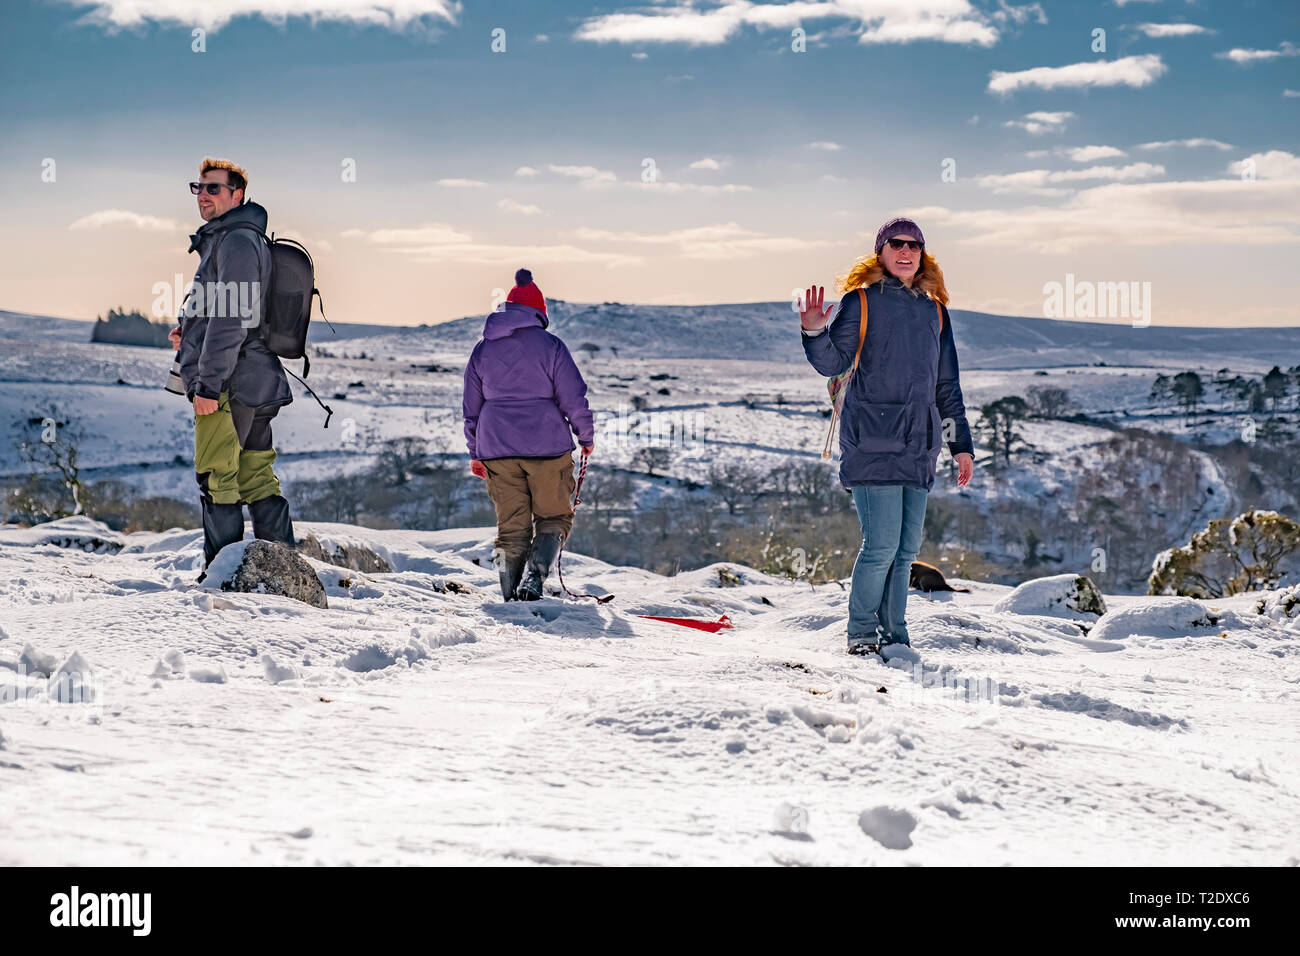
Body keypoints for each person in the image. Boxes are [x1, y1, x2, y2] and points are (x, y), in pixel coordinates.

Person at [800, 217, 975, 655]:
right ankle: (861, 634)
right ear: (880, 252)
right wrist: (814, 331)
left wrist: (961, 445)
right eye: (895, 244)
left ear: (923, 255)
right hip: (872, 440)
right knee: (879, 546)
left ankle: (895, 636)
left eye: (914, 245)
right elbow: (830, 362)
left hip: (920, 445)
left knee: (904, 551)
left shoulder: (935, 311)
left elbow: (946, 386)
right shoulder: (860, 301)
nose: (905, 251)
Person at [169, 158, 295, 577]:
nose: (203, 195)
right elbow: (224, 313)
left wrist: (207, 385)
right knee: (256, 477)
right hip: (257, 380)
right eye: (198, 187)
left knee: (217, 479)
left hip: (230, 385)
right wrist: (187, 333)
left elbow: (231, 319)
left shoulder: (236, 242)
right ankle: (282, 575)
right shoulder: (236, 238)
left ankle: (224, 580)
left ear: (236, 195)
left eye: (213, 188)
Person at [463, 269, 595, 601]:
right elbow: (573, 397)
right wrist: (586, 437)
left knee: (511, 527)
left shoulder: (482, 349)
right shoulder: (551, 346)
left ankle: (509, 595)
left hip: (496, 448)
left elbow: (471, 407)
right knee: (553, 516)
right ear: (539, 312)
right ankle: (534, 579)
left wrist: (475, 452)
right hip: (547, 446)